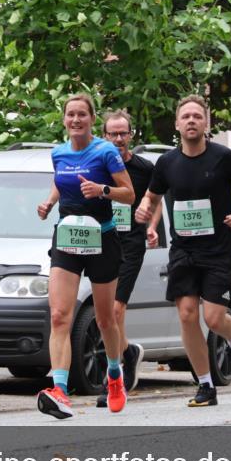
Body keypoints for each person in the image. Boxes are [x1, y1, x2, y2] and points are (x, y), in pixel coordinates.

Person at [134, 95, 231, 407]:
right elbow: (152, 196)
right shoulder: (167, 163)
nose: (191, 121)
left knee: (214, 318)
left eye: (197, 116)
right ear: (177, 124)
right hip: (183, 251)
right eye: (185, 116)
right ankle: (205, 385)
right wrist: (145, 214)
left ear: (206, 123)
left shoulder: (223, 157)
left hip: (217, 251)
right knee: (187, 315)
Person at [36, 94, 136, 419]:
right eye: (70, 115)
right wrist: (50, 202)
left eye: (82, 114)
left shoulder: (105, 151)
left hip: (102, 238)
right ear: (64, 120)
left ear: (92, 119)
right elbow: (61, 179)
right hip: (67, 236)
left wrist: (102, 190)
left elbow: (129, 193)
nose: (76, 120)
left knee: (106, 319)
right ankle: (60, 391)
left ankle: (115, 376)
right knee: (58, 316)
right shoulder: (58, 152)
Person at [95, 109, 162, 408]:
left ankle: (113, 380)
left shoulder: (145, 168)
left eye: (124, 133)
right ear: (105, 136)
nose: (119, 139)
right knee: (107, 314)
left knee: (116, 310)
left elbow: (157, 198)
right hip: (104, 242)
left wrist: (151, 225)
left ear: (131, 135)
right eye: (113, 134)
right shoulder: (98, 164)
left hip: (132, 243)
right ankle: (127, 353)